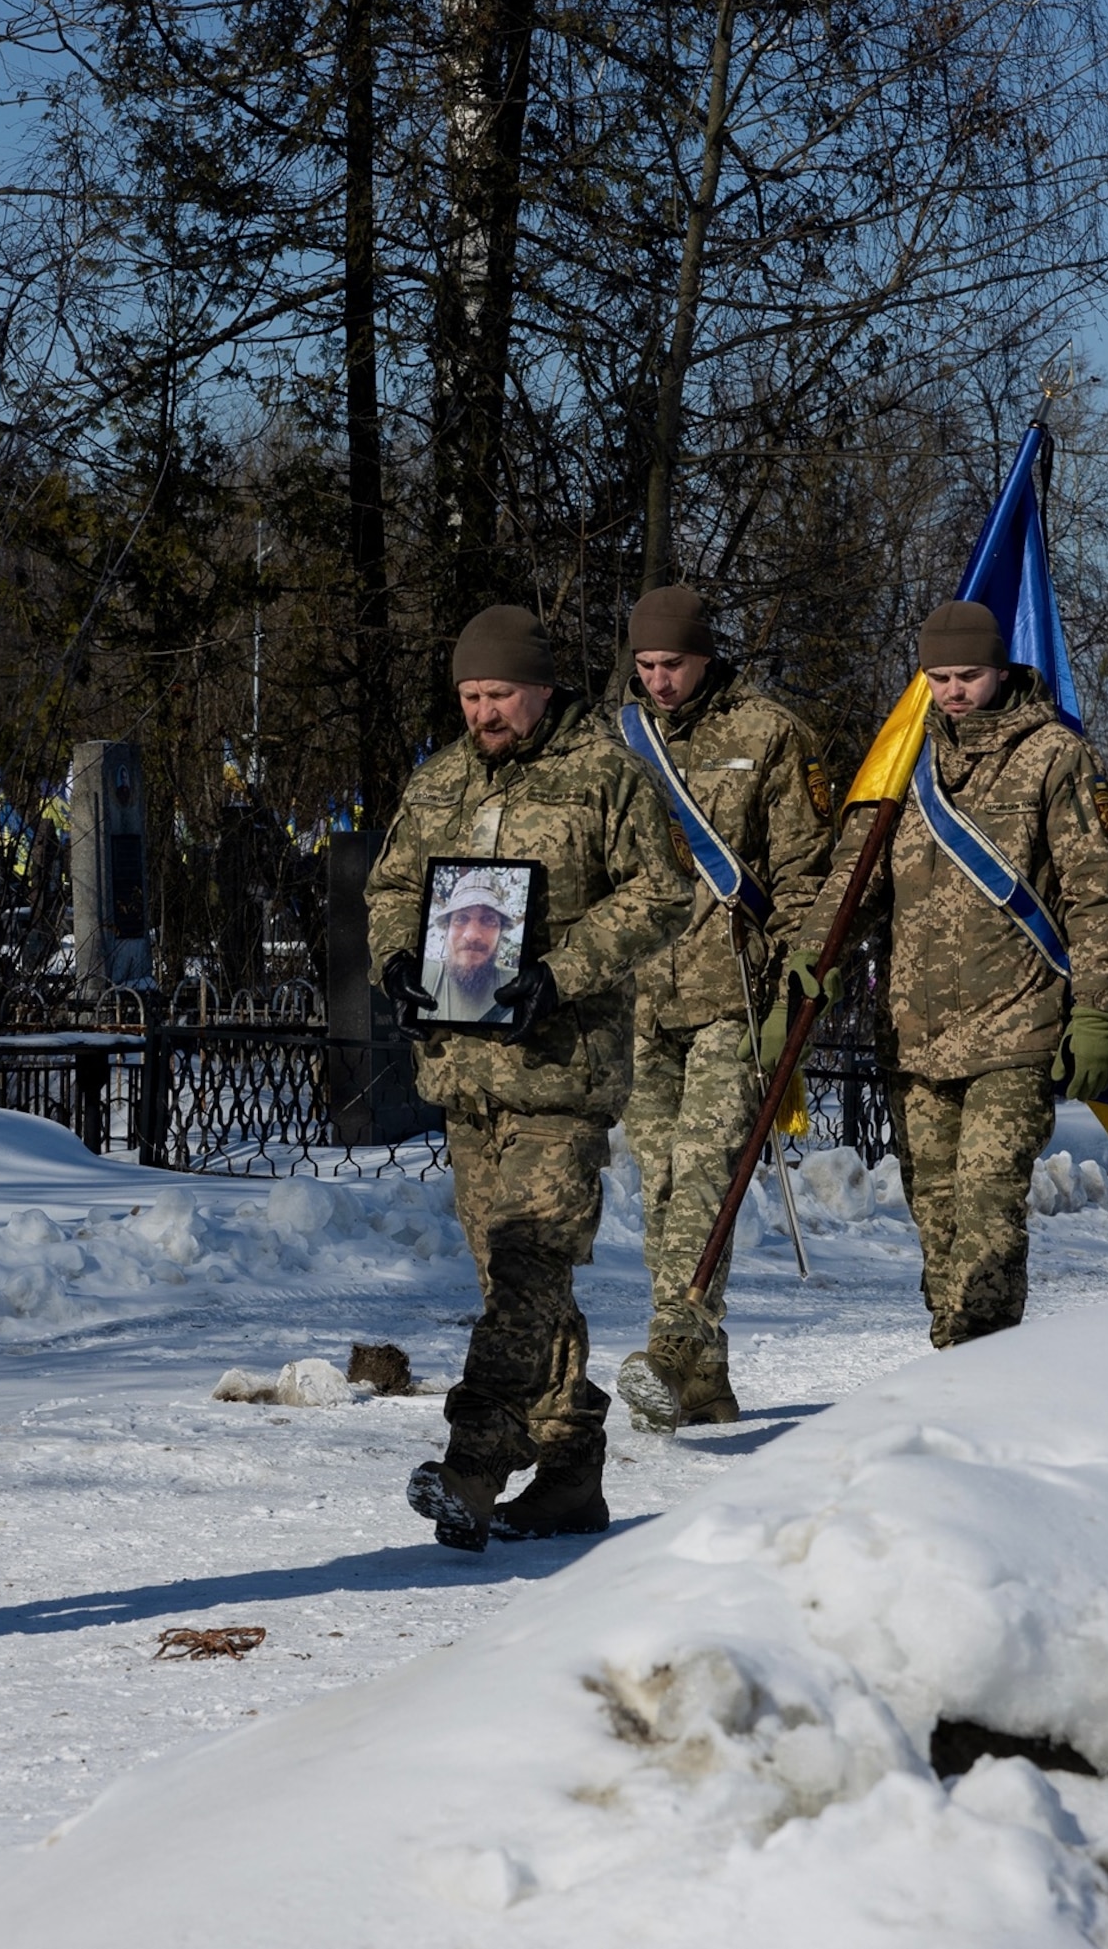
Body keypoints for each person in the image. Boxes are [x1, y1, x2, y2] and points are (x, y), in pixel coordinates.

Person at [365, 605, 688, 1549]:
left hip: (559, 1074)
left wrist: (563, 970)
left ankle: (472, 1464)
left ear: (542, 686)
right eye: (469, 695)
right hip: (466, 1077)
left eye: (499, 693)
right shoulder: (441, 782)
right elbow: (391, 886)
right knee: (522, 1290)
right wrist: (398, 959)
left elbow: (662, 894)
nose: (483, 712)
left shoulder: (603, 777)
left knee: (525, 1271)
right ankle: (572, 1477)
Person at [777, 600, 1108, 1347]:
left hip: (1015, 1028)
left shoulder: (1055, 757)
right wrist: (816, 954)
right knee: (937, 1224)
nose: (953, 691)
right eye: (938, 677)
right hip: (914, 1035)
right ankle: (964, 1371)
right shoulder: (904, 762)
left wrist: (1096, 1011)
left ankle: (977, 1376)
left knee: (987, 1213)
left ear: (1001, 669)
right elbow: (855, 878)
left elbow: (1097, 898)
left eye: (968, 674)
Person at [608, 585, 835, 1430]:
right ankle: (704, 1379)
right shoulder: (614, 740)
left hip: (732, 993)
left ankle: (670, 1346)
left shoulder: (770, 734)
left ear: (706, 655)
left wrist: (794, 982)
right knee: (661, 1186)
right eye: (645, 664)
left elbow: (807, 871)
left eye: (672, 663)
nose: (659, 680)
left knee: (707, 1175)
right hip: (639, 995)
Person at [426, 870, 524, 1023]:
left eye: (488, 920)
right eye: (461, 918)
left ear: (501, 932)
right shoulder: (422, 978)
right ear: (447, 928)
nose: (472, 935)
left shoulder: (520, 986)